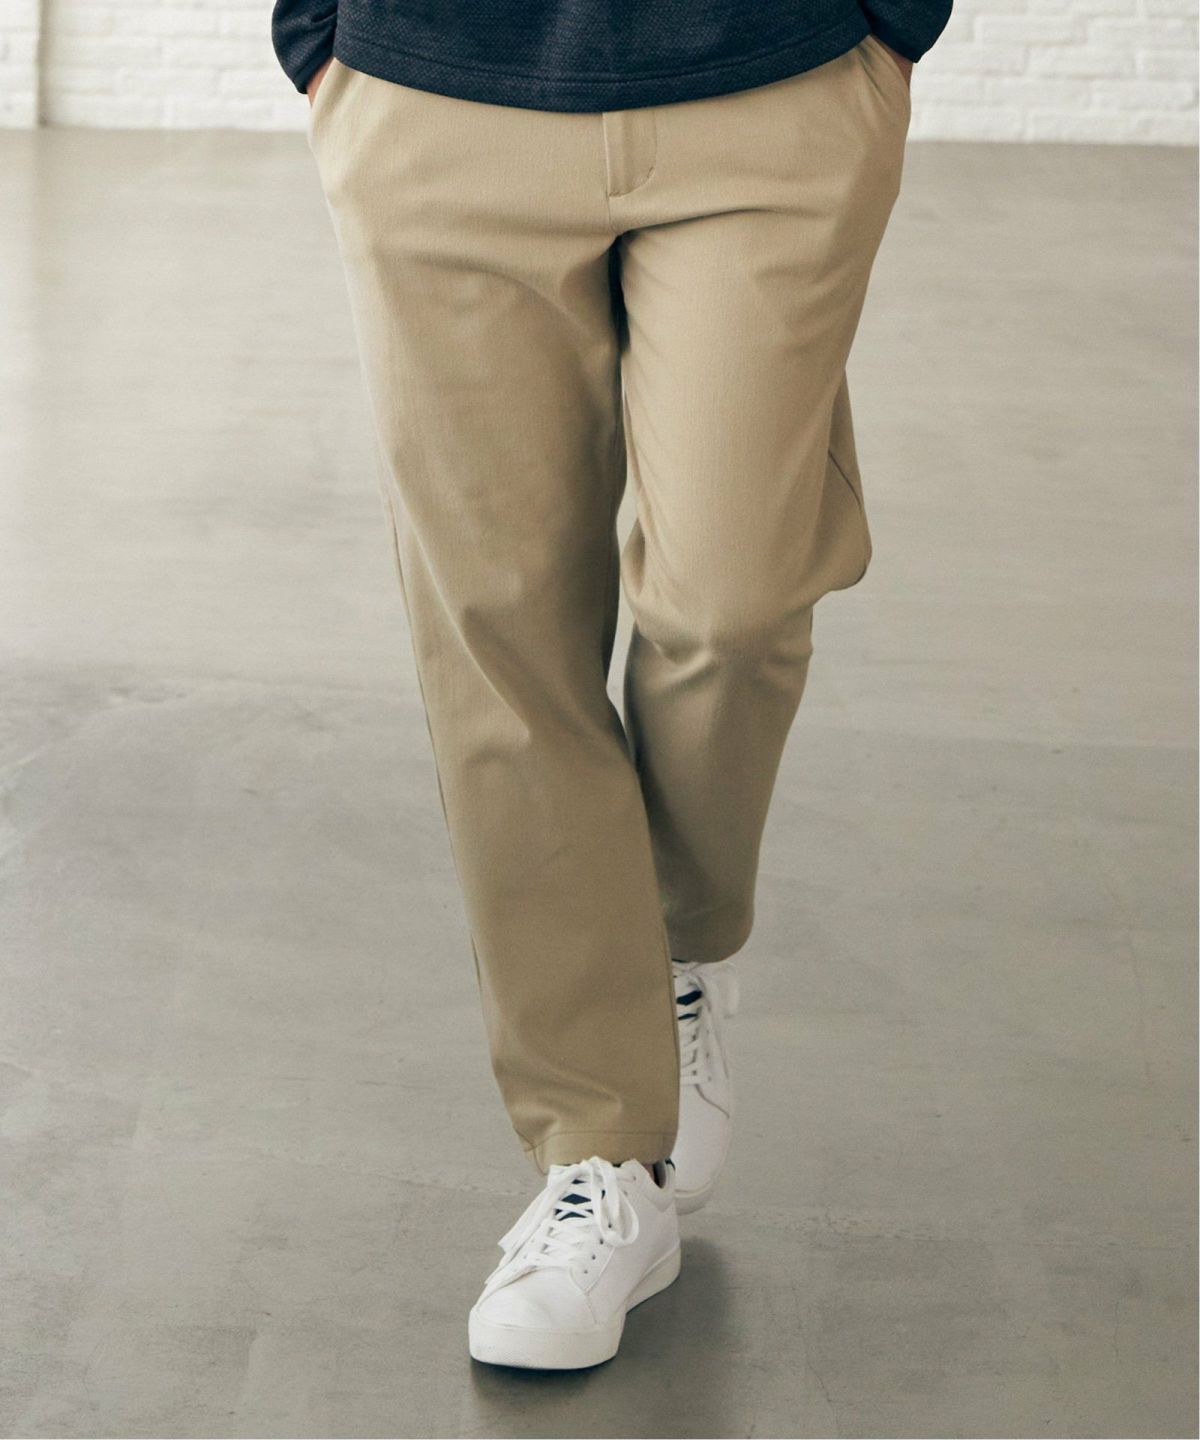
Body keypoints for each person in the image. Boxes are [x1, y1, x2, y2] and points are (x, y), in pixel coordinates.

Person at [271, 0, 951, 1371]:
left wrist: (893, 23)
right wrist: (321, 33)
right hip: (434, 93)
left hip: (775, 78)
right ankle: (599, 1155)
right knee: (500, 640)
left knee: (734, 602)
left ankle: (672, 953)